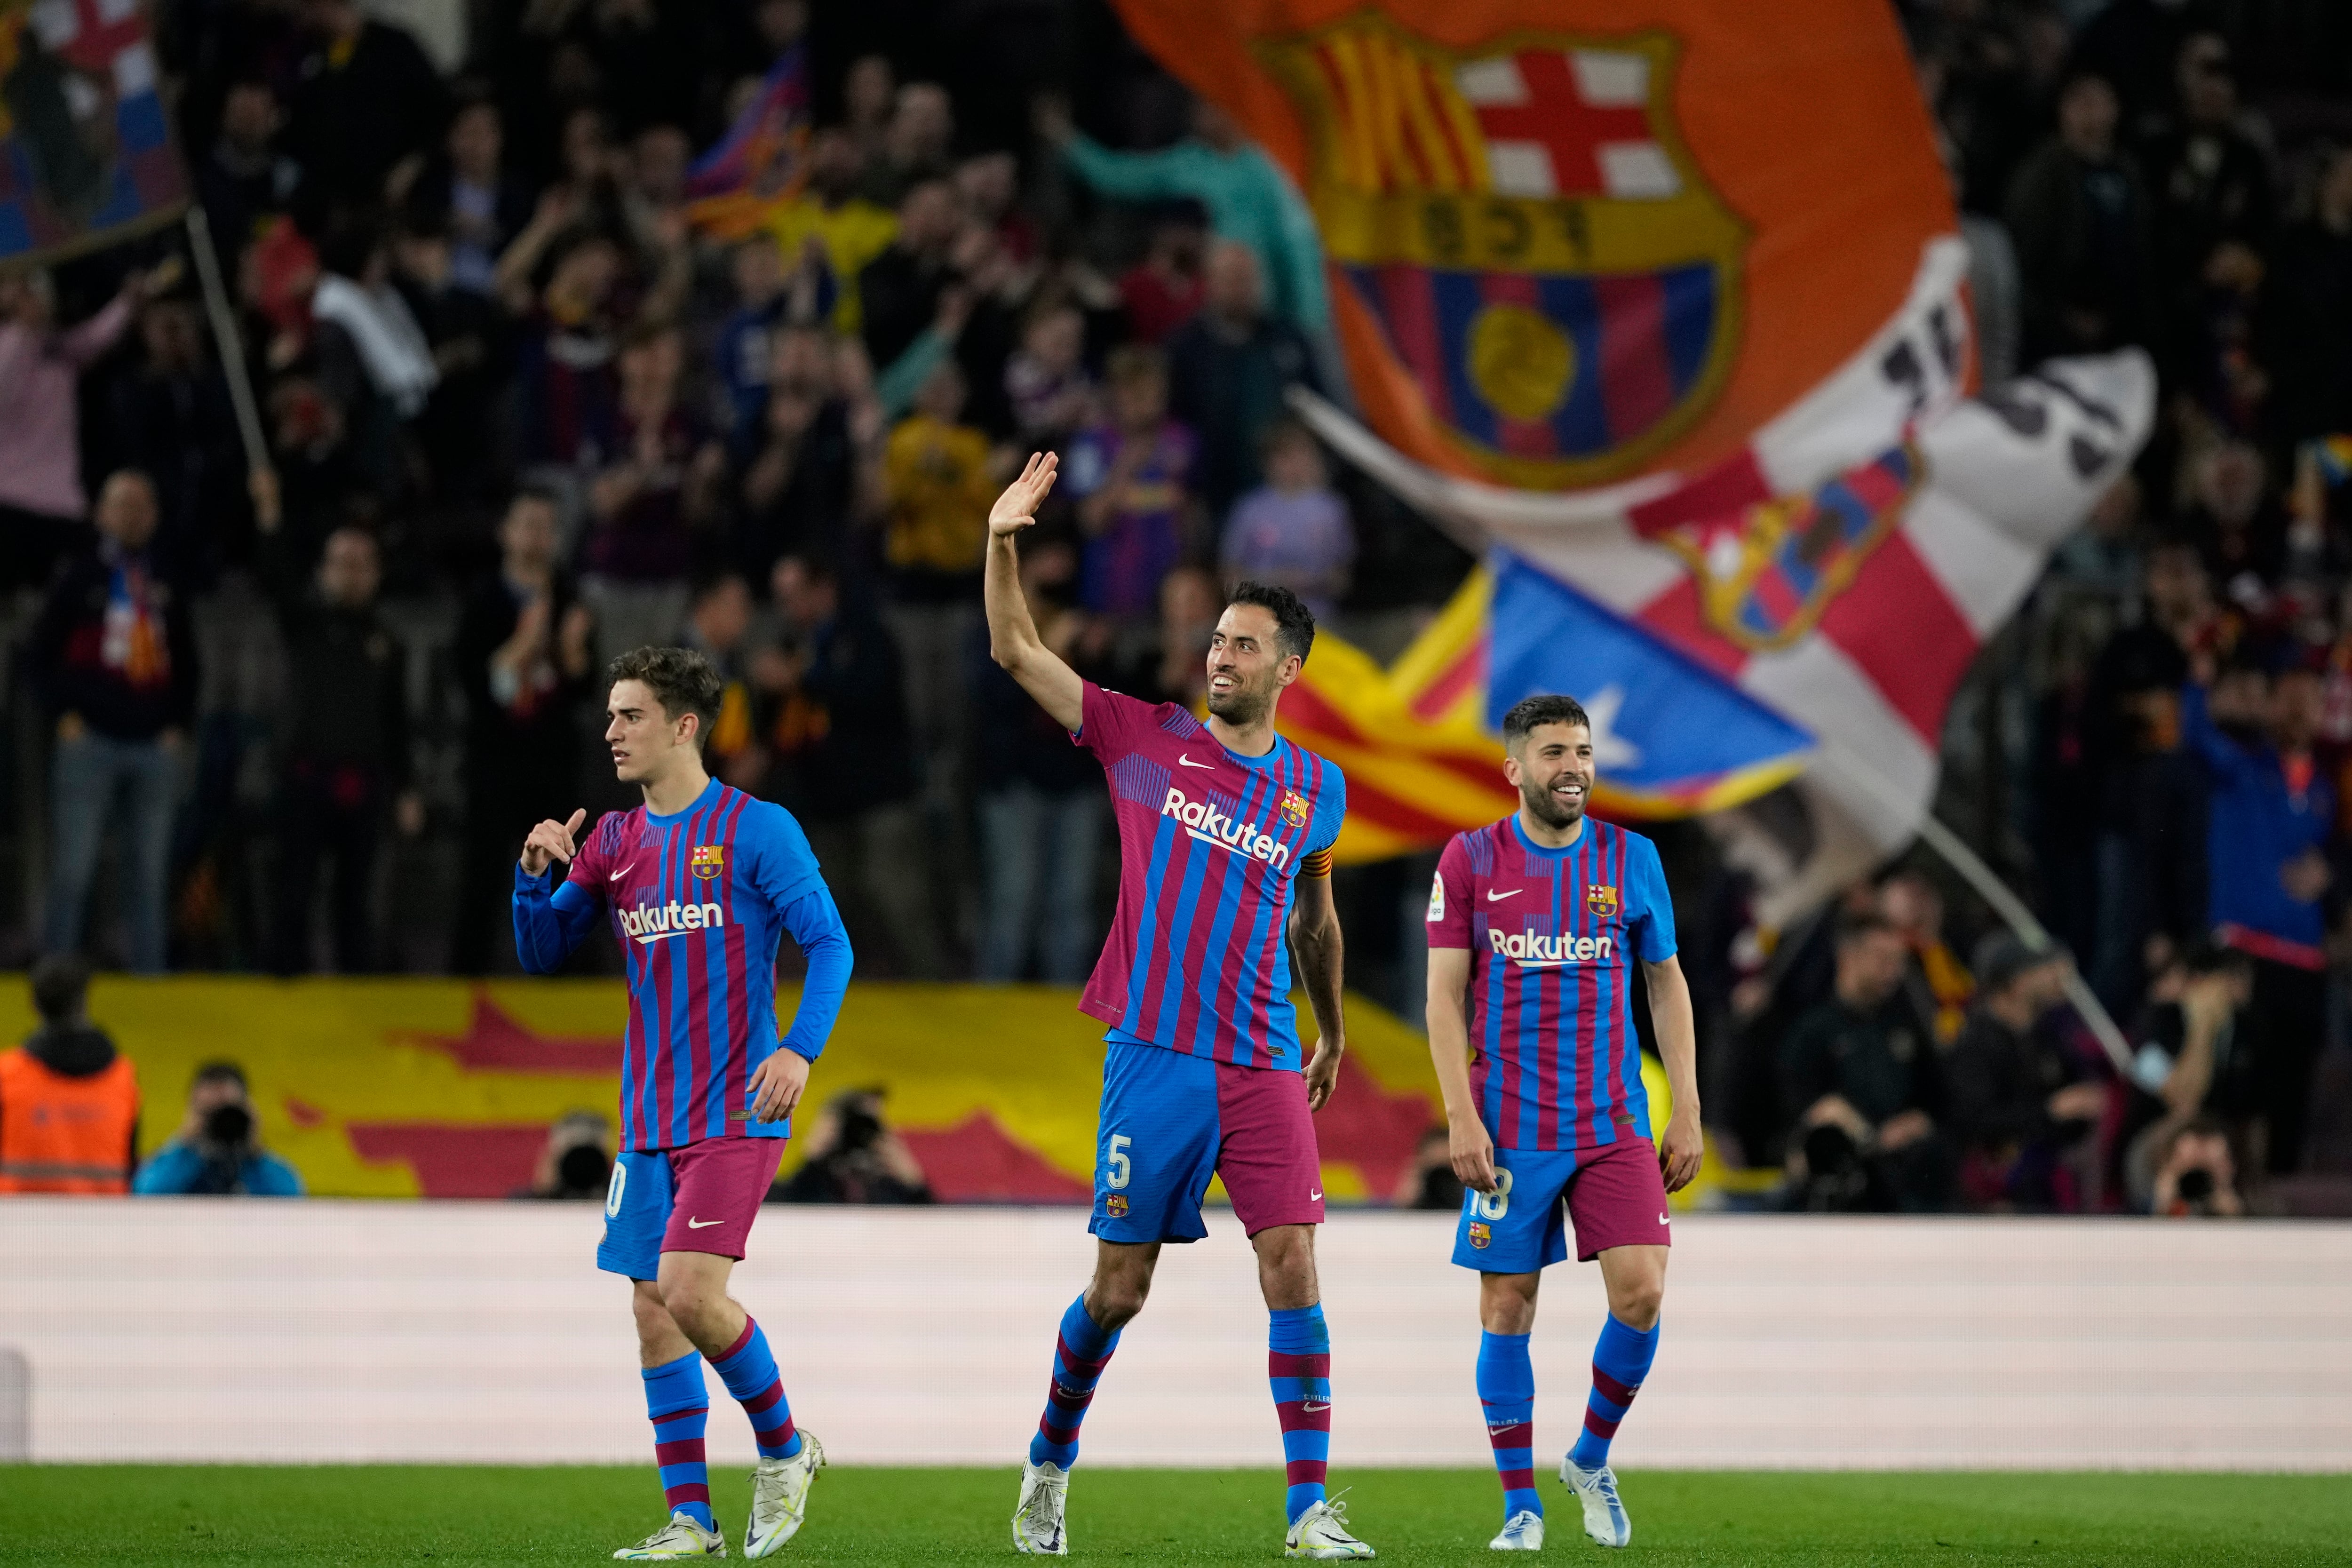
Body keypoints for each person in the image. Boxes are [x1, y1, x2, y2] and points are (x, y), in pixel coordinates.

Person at [984, 454, 1370, 1560]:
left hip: (1260, 1057)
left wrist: (1333, 1027)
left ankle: (1308, 1512)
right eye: (1215, 641)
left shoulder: (1316, 788)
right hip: (1153, 1054)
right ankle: (1049, 1462)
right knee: (1118, 1289)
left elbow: (1315, 918)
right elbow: (1017, 649)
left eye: (1243, 645)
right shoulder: (1144, 737)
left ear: (1288, 666)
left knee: (1293, 1264)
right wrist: (1004, 538)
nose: (1220, 656)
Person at [513, 645, 852, 1560]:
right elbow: (544, 952)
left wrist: (798, 1047)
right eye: (612, 716)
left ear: (684, 725)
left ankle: (785, 1448)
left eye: (630, 715)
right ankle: (691, 1519)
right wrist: (536, 874)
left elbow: (829, 944)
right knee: (652, 1309)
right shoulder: (618, 843)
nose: (612, 731)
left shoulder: (755, 828)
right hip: (650, 1121)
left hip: (737, 1107)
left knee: (691, 1293)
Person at [1422, 693, 1702, 1552]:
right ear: (1515, 768)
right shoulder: (1471, 858)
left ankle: (1588, 1456)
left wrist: (1687, 1103)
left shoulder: (1632, 856)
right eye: (1553, 752)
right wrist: (1459, 1116)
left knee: (1645, 1291)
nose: (1573, 765)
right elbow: (1442, 992)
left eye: (1581, 750)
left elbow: (1666, 980)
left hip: (1613, 1119)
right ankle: (1519, 1504)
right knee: (1508, 1306)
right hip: (1509, 1125)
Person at [25, 471, 199, 974]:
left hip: (153, 746)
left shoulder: (166, 580)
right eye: (121, 505)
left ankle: (150, 983)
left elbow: (188, 664)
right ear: (100, 513)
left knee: (147, 874)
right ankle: (55, 982)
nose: (132, 515)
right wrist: (65, 716)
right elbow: (38, 658)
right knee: (73, 870)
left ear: (155, 517)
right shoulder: (78, 578)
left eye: (142, 506)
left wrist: (177, 725)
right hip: (91, 741)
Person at [2181, 653, 2333, 1174]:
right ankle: (2228, 1185)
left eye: (2308, 702)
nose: (2298, 711)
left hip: (2304, 959)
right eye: (2287, 699)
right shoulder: (2239, 768)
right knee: (2237, 1081)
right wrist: (2196, 683)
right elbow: (2196, 737)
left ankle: (2282, 1191)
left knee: (2292, 1084)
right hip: (2245, 951)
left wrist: (2331, 870)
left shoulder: (2323, 788)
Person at [256, 522, 420, 973]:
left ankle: (355, 988)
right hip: (305, 780)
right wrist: (272, 520)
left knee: (357, 896)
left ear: (377, 574)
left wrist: (407, 788)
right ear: (324, 571)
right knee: (294, 888)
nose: (351, 574)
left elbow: (396, 723)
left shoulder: (388, 642)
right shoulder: (304, 623)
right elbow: (276, 578)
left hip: (363, 785)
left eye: (361, 564)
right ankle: (286, 984)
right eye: (342, 564)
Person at [452, 489, 595, 974]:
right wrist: (523, 643)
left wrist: (572, 652)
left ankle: (570, 981)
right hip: (494, 757)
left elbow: (585, 685)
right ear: (506, 533)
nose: (538, 538)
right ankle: (467, 977)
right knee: (484, 872)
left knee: (567, 870)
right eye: (528, 525)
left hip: (552, 759)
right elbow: (474, 683)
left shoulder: (571, 597)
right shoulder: (483, 599)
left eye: (546, 527)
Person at [1778, 912, 1954, 1212]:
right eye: (1882, 958)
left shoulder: (1908, 1027)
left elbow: (1940, 1100)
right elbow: (1796, 1111)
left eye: (1900, 960)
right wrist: (1861, 1132)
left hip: (1904, 1185)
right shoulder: (1811, 1031)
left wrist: (1919, 1121)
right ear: (1848, 957)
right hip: (1835, 1187)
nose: (1894, 970)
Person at [1945, 935, 2108, 1211]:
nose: (2057, 977)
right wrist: (2051, 1110)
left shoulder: (2047, 1035)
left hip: (2053, 1175)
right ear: (2016, 983)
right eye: (2042, 969)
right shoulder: (1975, 1044)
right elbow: (1974, 1120)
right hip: (1998, 1191)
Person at [0, 956, 139, 1195]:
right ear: (84, 1002)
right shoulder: (122, 1077)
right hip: (107, 1225)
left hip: (18, 1224)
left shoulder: (8, 1075)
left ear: (34, 1004)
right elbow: (131, 1164)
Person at [1219, 418, 1354, 626]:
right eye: (1284, 456)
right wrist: (1272, 584)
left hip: (1319, 622)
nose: (1294, 463)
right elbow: (1230, 576)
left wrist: (1310, 583)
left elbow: (1342, 580)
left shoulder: (1331, 509)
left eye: (1301, 453)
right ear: (1268, 461)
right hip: (1262, 624)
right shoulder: (1249, 510)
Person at [131, 1061, 303, 1197]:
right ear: (192, 1112)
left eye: (227, 1112)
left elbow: (290, 1196)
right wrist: (186, 1143)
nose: (220, 1121)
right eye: (208, 1113)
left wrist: (254, 1150)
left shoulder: (256, 1163)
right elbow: (147, 1193)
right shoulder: (179, 1159)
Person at [771, 1089, 933, 1204]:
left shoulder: (892, 1186)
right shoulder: (813, 1184)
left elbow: (933, 1230)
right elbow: (781, 1214)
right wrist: (813, 1160)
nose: (860, 1130)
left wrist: (913, 1182)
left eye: (869, 1122)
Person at [516, 1110, 614, 1200]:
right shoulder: (517, 1207)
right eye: (573, 1159)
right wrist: (544, 1194)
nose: (580, 1167)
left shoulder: (623, 1206)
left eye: (589, 1160)